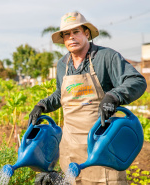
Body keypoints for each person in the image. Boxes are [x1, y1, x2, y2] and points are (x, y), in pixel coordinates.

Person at [28, 12, 147, 185]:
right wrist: (42, 105)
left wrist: (113, 96)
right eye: (66, 34)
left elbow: (137, 81)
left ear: (87, 33)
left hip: (102, 146)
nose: (71, 37)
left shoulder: (106, 57)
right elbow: (61, 94)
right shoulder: (63, 64)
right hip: (71, 147)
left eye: (76, 32)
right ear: (63, 39)